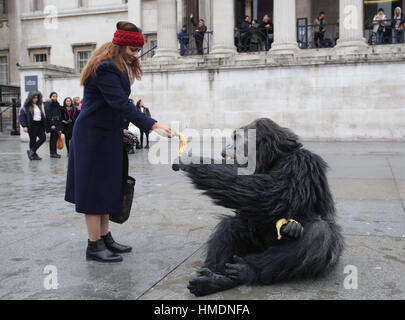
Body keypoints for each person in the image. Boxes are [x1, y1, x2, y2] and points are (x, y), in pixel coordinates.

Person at [65, 21, 177, 263]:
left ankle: (105, 237)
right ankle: (93, 245)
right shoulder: (104, 67)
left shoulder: (118, 64)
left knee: (108, 187)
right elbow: (120, 103)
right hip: (93, 136)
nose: (136, 55)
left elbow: (117, 104)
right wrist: (152, 124)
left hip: (107, 134)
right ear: (120, 45)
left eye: (137, 51)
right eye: (133, 50)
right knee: (94, 190)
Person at [19, 91, 46, 161]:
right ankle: (34, 154)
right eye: (34, 98)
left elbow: (41, 116)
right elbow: (22, 117)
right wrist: (24, 126)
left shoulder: (38, 106)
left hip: (39, 125)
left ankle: (31, 151)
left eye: (37, 98)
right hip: (32, 125)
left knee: (43, 138)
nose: (35, 99)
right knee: (33, 140)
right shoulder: (26, 107)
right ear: (30, 98)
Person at [44, 92, 63, 158]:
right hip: (53, 123)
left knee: (55, 138)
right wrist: (52, 124)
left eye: (56, 96)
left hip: (57, 123)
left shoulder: (56, 104)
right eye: (53, 96)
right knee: (53, 139)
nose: (55, 98)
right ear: (50, 97)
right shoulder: (49, 104)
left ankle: (54, 152)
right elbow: (48, 115)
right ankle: (52, 153)